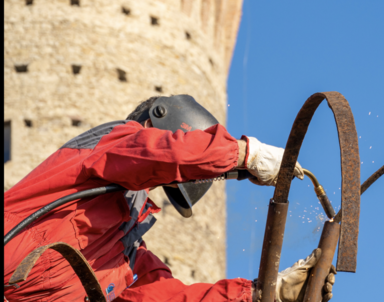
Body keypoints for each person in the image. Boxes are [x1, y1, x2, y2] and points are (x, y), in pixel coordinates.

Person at [4, 95, 336, 302]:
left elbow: (165, 297)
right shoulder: (113, 142)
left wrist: (262, 293)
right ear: (154, 122)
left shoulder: (125, 249)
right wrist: (243, 154)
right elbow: (154, 153)